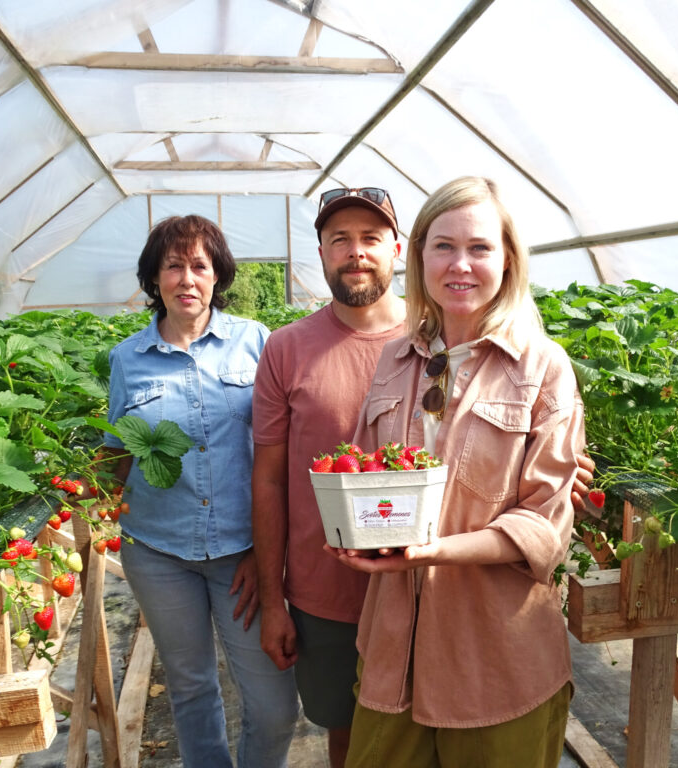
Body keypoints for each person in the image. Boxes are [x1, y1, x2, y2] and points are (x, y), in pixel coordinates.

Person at [252, 187, 595, 767]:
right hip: (391, 647)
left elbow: (545, 532)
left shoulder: (542, 367)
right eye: (444, 247)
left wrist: (430, 550)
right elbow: (367, 477)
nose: (460, 264)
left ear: (507, 258)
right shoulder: (397, 359)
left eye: (479, 248)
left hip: (495, 656)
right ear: (420, 258)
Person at [102, 215, 298, 768]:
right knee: (190, 690)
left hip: (244, 551)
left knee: (275, 703)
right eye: (172, 266)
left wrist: (268, 553)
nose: (186, 278)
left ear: (217, 277)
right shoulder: (126, 359)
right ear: (154, 279)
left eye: (199, 266)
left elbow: (283, 449)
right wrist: (69, 492)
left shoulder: (257, 343)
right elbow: (115, 450)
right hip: (158, 551)